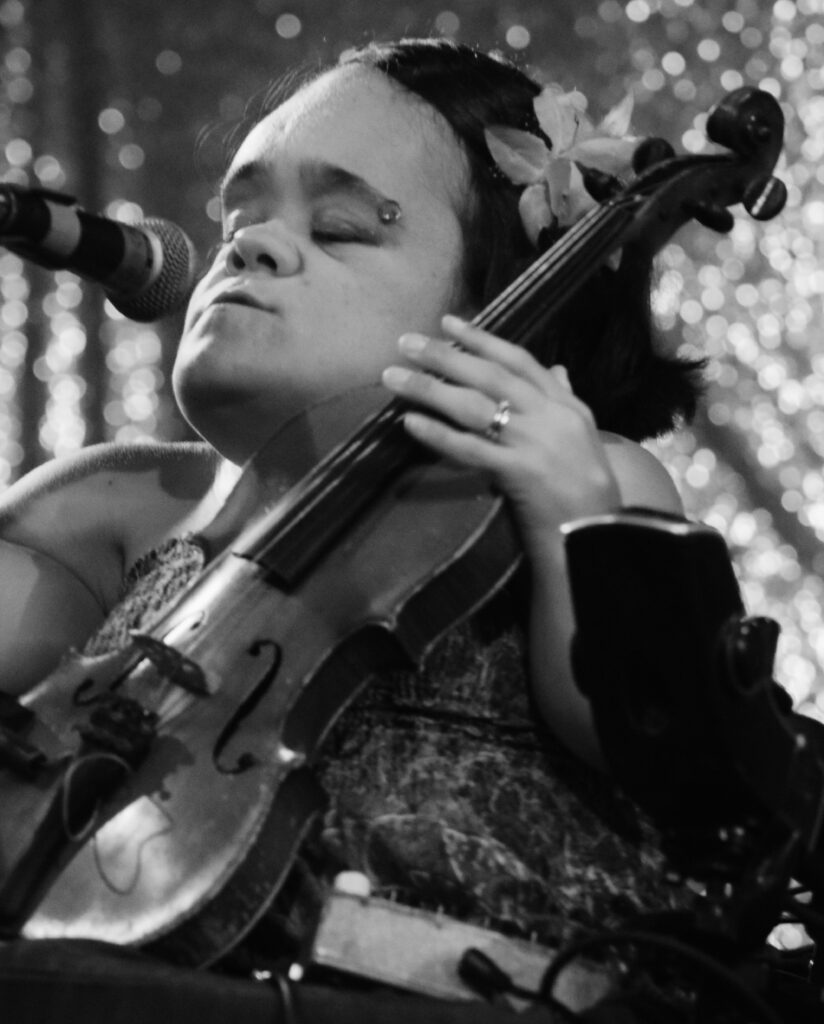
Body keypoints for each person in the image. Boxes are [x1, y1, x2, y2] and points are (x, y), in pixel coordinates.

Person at [0, 37, 704, 1020]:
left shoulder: (579, 473)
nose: (253, 244)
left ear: (499, 305)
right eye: (240, 215)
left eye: (337, 228)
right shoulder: (119, 500)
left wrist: (571, 502)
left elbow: (651, 739)